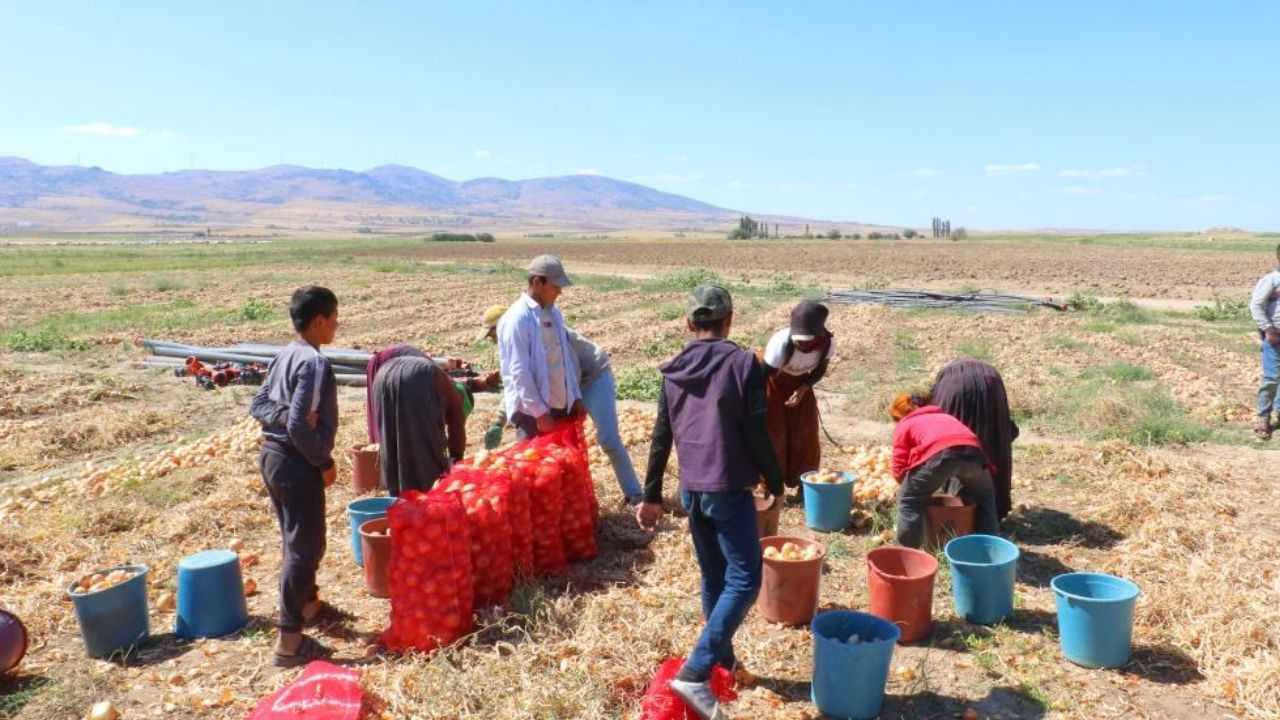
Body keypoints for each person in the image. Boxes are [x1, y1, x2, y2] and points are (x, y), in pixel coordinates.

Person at [638, 284, 785, 720]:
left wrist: (651, 496)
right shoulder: (743, 364)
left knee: (714, 576)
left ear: (689, 324)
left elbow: (661, 434)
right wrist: (775, 481)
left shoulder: (673, 368)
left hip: (692, 490)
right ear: (729, 321)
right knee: (745, 579)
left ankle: (723, 662)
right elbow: (756, 433)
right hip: (726, 487)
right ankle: (697, 670)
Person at [248, 285, 341, 667]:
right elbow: (302, 425)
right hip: (295, 462)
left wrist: (284, 415)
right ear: (319, 321)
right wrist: (323, 461)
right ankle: (289, 643)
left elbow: (260, 405)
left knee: (295, 540)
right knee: (303, 549)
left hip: (272, 457)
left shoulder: (285, 353)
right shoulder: (314, 363)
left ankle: (307, 605)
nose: (337, 326)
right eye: (334, 319)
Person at [480, 306, 643, 502]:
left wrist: (575, 399)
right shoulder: (514, 343)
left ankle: (634, 495)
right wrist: (499, 421)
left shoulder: (543, 330)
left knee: (608, 439)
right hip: (564, 387)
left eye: (492, 335)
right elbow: (517, 382)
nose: (493, 341)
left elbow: (569, 366)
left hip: (591, 377)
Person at [889, 390, 999, 549]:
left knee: (908, 501)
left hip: (941, 456)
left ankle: (908, 553)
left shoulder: (905, 424)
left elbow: (899, 464)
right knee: (985, 499)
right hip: (975, 456)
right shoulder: (947, 417)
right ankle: (990, 549)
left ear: (900, 414)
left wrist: (907, 486)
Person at [496, 255, 583, 440]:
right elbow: (519, 371)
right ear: (537, 282)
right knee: (535, 465)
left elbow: (564, 360)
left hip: (561, 407)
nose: (560, 292)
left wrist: (575, 396)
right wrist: (540, 413)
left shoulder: (554, 313)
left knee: (563, 466)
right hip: (532, 416)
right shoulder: (518, 319)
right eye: (555, 286)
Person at [370, 346, 467, 496]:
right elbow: (456, 427)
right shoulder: (453, 394)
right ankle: (424, 495)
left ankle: (395, 496)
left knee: (392, 439)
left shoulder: (440, 379)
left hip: (382, 374)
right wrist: (456, 458)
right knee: (426, 444)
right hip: (418, 377)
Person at [760, 300, 836, 491]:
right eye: (798, 340)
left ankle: (805, 484)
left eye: (806, 341)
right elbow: (762, 376)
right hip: (773, 383)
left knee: (806, 432)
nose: (801, 343)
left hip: (800, 384)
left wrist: (803, 388)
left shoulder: (826, 344)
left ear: (819, 334)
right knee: (774, 432)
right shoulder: (781, 343)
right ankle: (770, 485)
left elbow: (819, 370)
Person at [931, 358, 1019, 520]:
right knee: (991, 437)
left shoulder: (939, 390)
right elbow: (1008, 430)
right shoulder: (985, 372)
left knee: (953, 442)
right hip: (991, 383)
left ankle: (957, 507)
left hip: (955, 387)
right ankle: (989, 512)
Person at [1249, 244, 1280, 439]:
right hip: (1275, 338)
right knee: (1272, 378)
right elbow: (1256, 306)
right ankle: (1263, 417)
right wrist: (1269, 330)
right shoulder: (1272, 281)